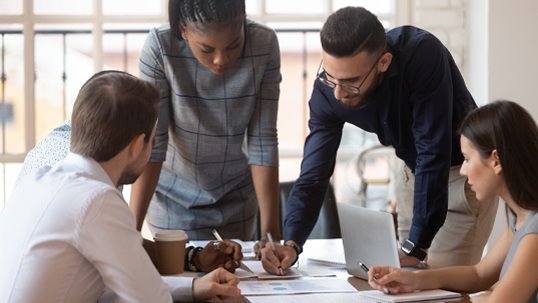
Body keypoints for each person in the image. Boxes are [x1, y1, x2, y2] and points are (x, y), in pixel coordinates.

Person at [261, 6, 498, 274]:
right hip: (413, 174)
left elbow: (433, 149)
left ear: (383, 62)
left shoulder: (422, 54)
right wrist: (292, 243)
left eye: (351, 82)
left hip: (464, 178)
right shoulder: (327, 91)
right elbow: (313, 175)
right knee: (404, 284)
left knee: (444, 288)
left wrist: (416, 246)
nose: (338, 93)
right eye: (331, 76)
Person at [0, 70, 241, 302]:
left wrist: (194, 288)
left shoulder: (39, 180)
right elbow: (150, 299)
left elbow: (106, 287)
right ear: (137, 145)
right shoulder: (96, 199)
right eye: (153, 141)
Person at [132, 0, 281, 242]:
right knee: (184, 276)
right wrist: (131, 231)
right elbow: (154, 144)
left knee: (238, 276)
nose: (221, 60)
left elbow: (262, 140)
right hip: (174, 198)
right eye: (207, 49)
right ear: (183, 30)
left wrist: (271, 235)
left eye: (234, 45)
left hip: (238, 195)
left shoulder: (264, 44)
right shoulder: (160, 47)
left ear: (243, 19)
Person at [368, 100, 538, 303]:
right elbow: (479, 274)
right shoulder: (519, 215)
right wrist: (413, 279)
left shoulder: (534, 231)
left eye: (467, 159)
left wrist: (485, 297)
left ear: (496, 160)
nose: (463, 171)